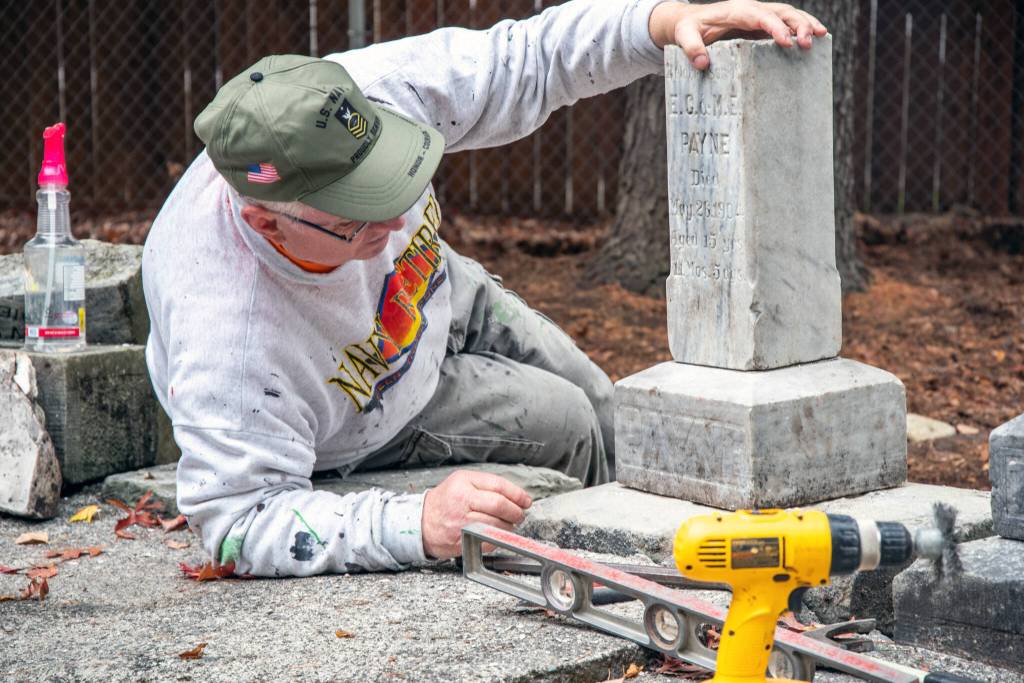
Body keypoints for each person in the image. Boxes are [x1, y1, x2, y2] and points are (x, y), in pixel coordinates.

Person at [143, 0, 826, 577]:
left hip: (432, 290)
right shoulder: (231, 335)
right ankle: (631, 578)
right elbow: (234, 521)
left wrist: (660, 20)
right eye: (355, 216)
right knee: (567, 424)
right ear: (266, 219)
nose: (393, 215)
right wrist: (416, 521)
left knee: (602, 399)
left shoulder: (352, 98)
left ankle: (717, 553)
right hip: (365, 407)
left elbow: (524, 59)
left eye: (389, 178)